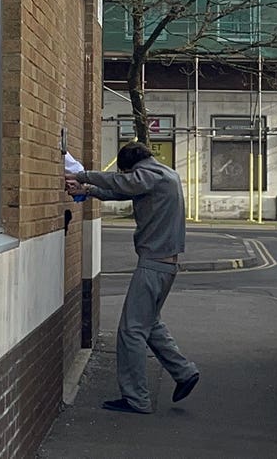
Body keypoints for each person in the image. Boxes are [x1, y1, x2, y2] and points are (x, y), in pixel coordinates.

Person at [65, 141, 199, 414]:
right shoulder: (162, 175)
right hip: (164, 265)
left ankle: (136, 398)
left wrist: (82, 175)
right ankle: (184, 372)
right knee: (150, 324)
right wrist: (88, 191)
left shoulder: (152, 175)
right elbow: (121, 191)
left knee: (131, 331)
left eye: (125, 172)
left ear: (129, 166)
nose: (126, 177)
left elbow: (122, 183)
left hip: (153, 265)